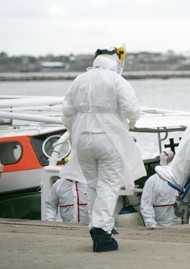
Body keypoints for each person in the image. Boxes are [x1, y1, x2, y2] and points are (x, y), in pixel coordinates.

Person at [60, 44, 146, 252]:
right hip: (109, 138)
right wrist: (131, 123)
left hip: (82, 139)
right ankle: (101, 231)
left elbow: (66, 113)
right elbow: (131, 108)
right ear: (114, 61)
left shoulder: (79, 80)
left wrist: (74, 133)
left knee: (93, 185)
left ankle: (96, 225)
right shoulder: (116, 80)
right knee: (108, 186)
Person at [140, 148, 181, 227]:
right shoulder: (152, 181)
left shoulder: (180, 179)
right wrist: (151, 224)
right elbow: (146, 204)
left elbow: (188, 201)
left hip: (181, 225)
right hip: (161, 226)